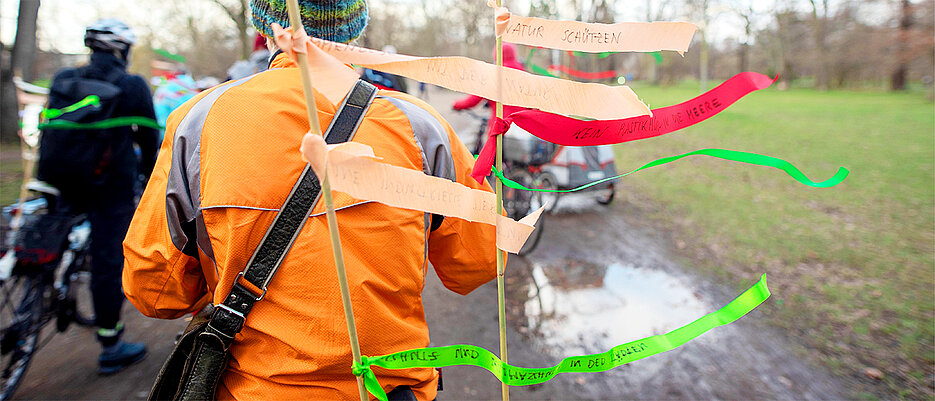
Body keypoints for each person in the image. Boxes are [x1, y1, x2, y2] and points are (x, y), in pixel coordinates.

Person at [122, 1, 497, 400]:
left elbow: (154, 292)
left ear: (265, 25)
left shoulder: (200, 121)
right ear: (355, 29)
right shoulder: (422, 127)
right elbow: (482, 261)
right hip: (388, 390)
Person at [38, 19, 156, 374]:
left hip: (57, 177)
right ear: (123, 49)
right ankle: (111, 343)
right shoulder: (131, 84)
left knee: (47, 240)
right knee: (107, 260)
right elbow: (149, 142)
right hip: (109, 185)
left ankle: (30, 293)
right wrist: (151, 182)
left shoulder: (62, 79)